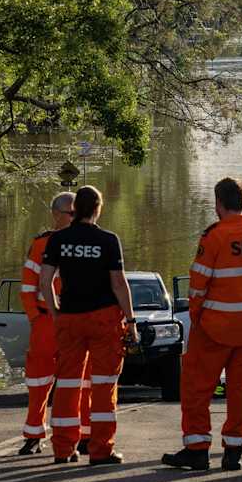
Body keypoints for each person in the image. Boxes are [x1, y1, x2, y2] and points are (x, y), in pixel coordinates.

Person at [162, 178, 242, 472]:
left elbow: (197, 287)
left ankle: (198, 449)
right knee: (239, 392)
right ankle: (233, 452)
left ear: (218, 204)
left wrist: (199, 317)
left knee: (197, 388)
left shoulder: (214, 237)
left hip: (213, 327)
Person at [40, 185, 138, 466]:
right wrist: (130, 321)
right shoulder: (108, 240)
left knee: (68, 384)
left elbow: (44, 281)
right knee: (104, 385)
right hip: (103, 319)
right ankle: (101, 450)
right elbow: (119, 283)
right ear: (97, 209)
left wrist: (55, 311)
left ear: (75, 210)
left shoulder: (58, 240)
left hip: (70, 318)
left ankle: (63, 449)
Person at [18, 191, 77, 456]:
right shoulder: (41, 244)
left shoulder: (85, 241)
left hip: (75, 320)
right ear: (56, 215)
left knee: (77, 383)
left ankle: (81, 436)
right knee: (39, 381)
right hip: (46, 321)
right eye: (71, 214)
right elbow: (27, 287)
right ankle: (33, 435)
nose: (76, 218)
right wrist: (35, 318)